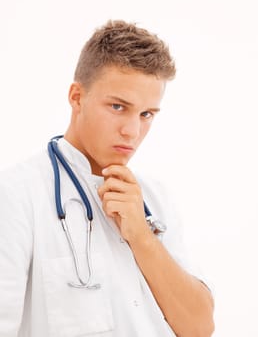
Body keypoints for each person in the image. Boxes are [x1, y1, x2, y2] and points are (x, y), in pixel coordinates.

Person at [0, 20, 214, 337]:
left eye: (147, 114)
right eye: (118, 106)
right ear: (76, 97)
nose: (133, 131)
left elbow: (199, 327)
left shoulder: (154, 198)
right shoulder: (18, 195)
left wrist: (141, 236)